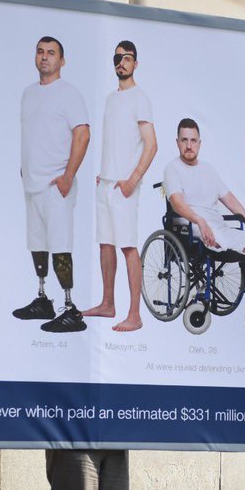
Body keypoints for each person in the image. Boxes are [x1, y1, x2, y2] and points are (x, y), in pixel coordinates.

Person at [13, 35, 91, 333]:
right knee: (37, 243)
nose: (44, 57)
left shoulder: (69, 93)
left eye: (51, 53)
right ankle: (43, 299)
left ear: (62, 60)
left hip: (56, 186)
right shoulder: (28, 94)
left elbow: (82, 134)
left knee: (60, 246)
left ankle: (71, 307)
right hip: (32, 185)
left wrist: (68, 175)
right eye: (40, 52)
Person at [82, 40, 158, 332]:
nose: (121, 62)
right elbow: (117, 140)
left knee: (128, 247)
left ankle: (135, 315)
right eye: (117, 58)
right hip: (107, 183)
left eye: (127, 58)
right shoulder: (111, 99)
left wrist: (131, 181)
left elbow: (151, 145)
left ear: (135, 63)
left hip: (125, 186)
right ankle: (107, 303)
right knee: (105, 244)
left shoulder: (141, 97)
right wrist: (105, 175)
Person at [164, 118, 245, 257]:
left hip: (218, 227)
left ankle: (228, 248)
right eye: (184, 140)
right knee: (217, 240)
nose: (188, 145)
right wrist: (200, 221)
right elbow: (177, 204)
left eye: (193, 140)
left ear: (199, 143)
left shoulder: (208, 169)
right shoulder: (172, 169)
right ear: (177, 142)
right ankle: (222, 247)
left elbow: (231, 201)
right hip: (191, 227)